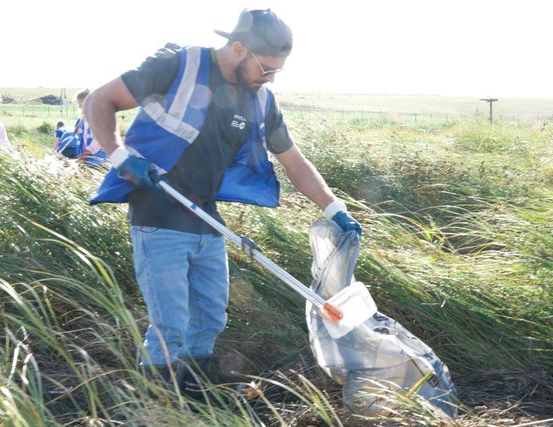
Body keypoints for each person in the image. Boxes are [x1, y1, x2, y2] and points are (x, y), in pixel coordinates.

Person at [83, 8, 362, 395]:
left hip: (206, 221)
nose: (270, 79)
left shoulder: (260, 100)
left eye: (276, 72)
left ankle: (193, 397)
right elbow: (99, 100)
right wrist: (118, 155)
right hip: (157, 216)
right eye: (266, 68)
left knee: (210, 318)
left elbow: (295, 163)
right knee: (170, 325)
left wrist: (336, 210)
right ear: (237, 48)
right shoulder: (177, 66)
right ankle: (158, 406)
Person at [74, 89, 108, 165]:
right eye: (79, 106)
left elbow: (98, 140)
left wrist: (85, 155)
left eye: (81, 105)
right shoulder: (85, 118)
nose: (80, 108)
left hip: (98, 158)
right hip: (87, 156)